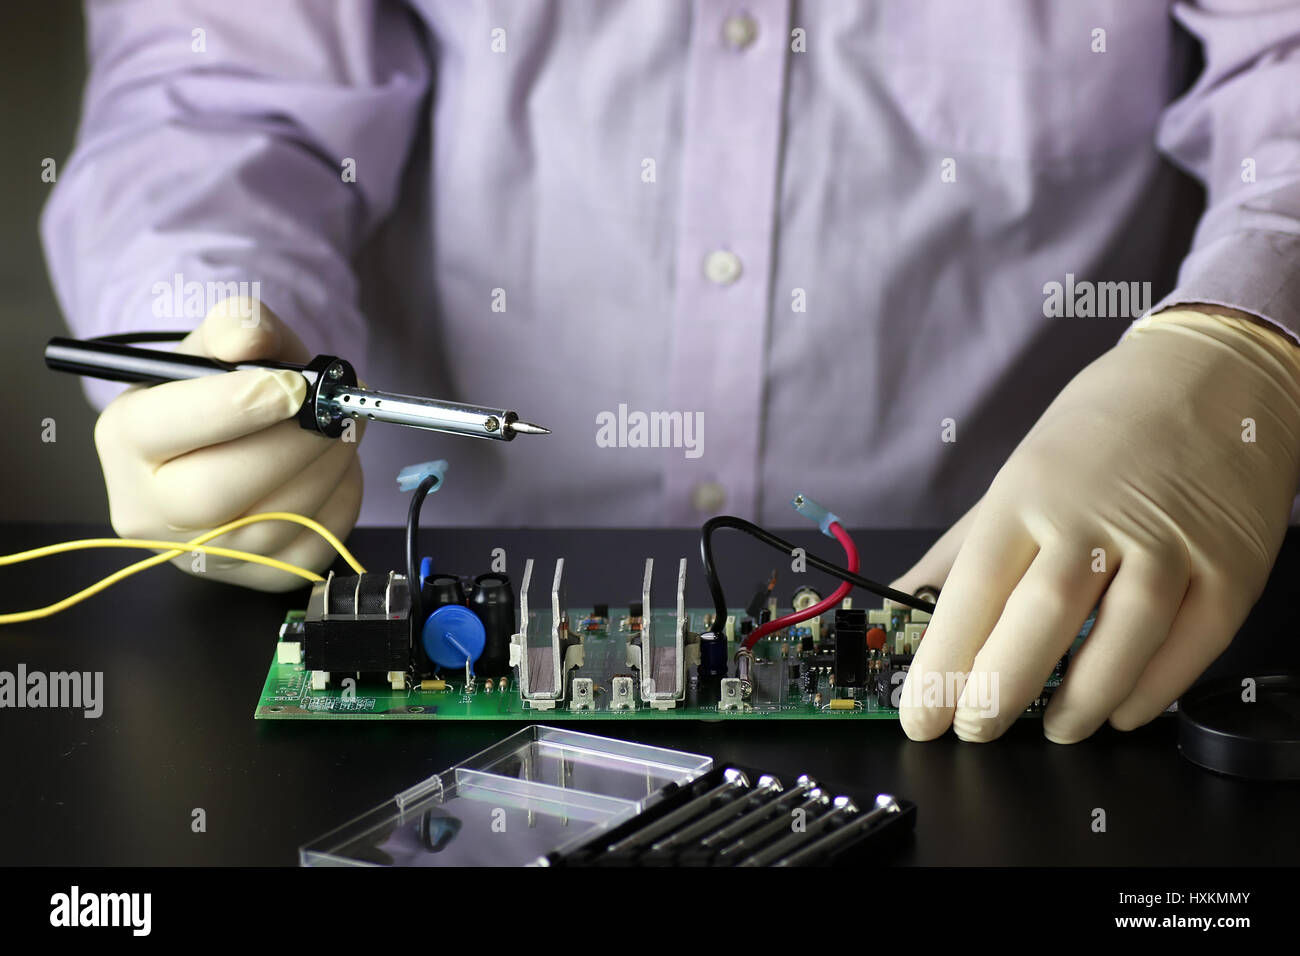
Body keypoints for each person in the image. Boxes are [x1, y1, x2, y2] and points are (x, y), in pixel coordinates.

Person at [41, 1, 1300, 743]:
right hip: (409, 612)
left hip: (1037, 624)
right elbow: (217, 96)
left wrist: (1244, 341)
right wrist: (198, 348)